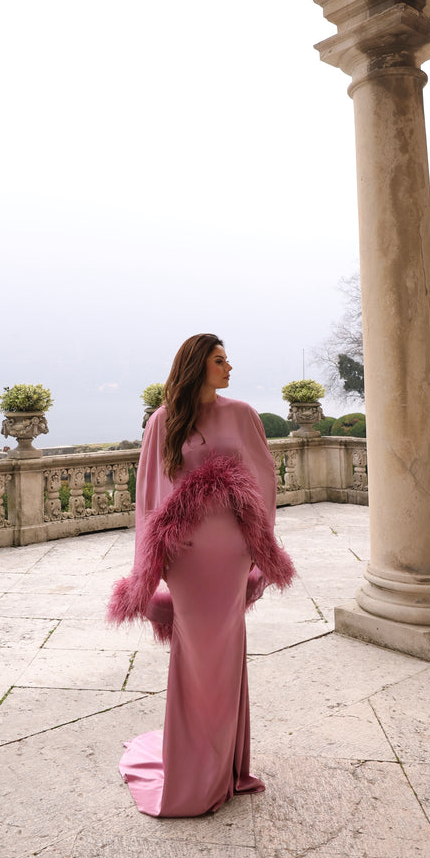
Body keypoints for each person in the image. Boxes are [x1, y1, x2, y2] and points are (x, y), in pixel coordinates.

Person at [107, 334, 295, 817]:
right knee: (196, 659)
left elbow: (263, 479)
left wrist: (260, 547)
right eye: (219, 360)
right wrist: (147, 568)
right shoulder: (163, 420)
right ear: (196, 365)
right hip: (187, 559)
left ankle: (226, 766)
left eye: (228, 359)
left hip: (231, 555)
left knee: (226, 655)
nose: (229, 367)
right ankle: (193, 772)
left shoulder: (242, 414)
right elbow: (150, 494)